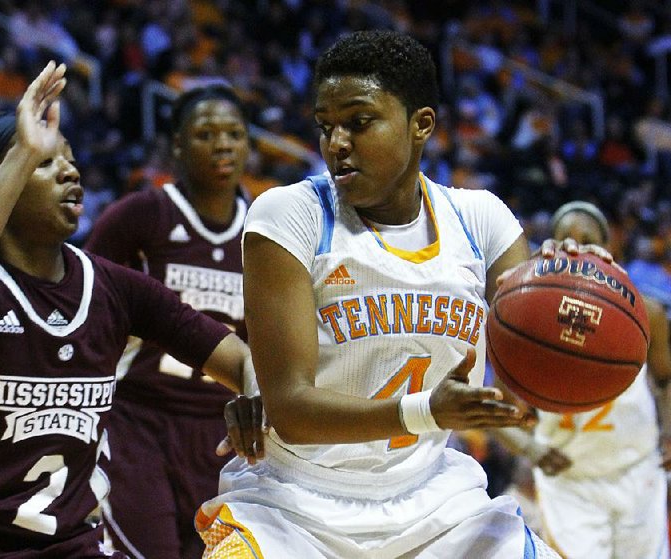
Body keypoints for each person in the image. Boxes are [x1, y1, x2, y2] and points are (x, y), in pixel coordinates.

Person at [196, 29, 572, 558]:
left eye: (359, 121)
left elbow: (527, 382)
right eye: (326, 127)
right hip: (296, 505)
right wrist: (426, 411)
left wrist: (574, 287)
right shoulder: (290, 215)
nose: (337, 143)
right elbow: (291, 409)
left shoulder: (482, 221)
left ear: (421, 125)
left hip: (436, 504)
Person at [0, 61, 261, 558]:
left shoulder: (114, 287)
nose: (70, 171)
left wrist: (254, 389)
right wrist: (20, 155)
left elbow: (236, 357)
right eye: (45, 163)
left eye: (70, 160)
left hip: (71, 544)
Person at [84, 84, 254, 559]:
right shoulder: (140, 216)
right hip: (138, 420)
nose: (222, 144)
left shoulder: (267, 229)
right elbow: (81, 303)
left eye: (234, 134)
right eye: (205, 134)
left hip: (225, 433)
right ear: (177, 145)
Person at [493, 200, 671, 559]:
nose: (575, 245)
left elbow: (666, 382)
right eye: (564, 239)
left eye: (586, 238)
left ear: (608, 247)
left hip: (637, 471)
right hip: (570, 482)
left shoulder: (644, 312)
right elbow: (492, 409)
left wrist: (670, 430)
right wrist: (530, 449)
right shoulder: (532, 316)